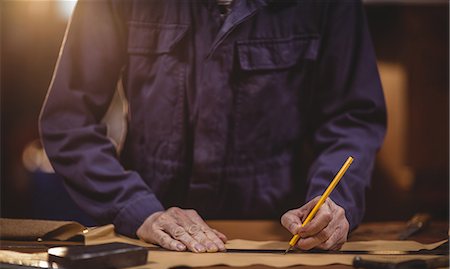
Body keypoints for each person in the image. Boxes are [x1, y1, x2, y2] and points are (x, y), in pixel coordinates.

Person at [39, 0, 386, 253]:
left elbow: (353, 118)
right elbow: (68, 122)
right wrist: (134, 208)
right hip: (149, 237)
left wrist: (332, 201)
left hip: (278, 240)